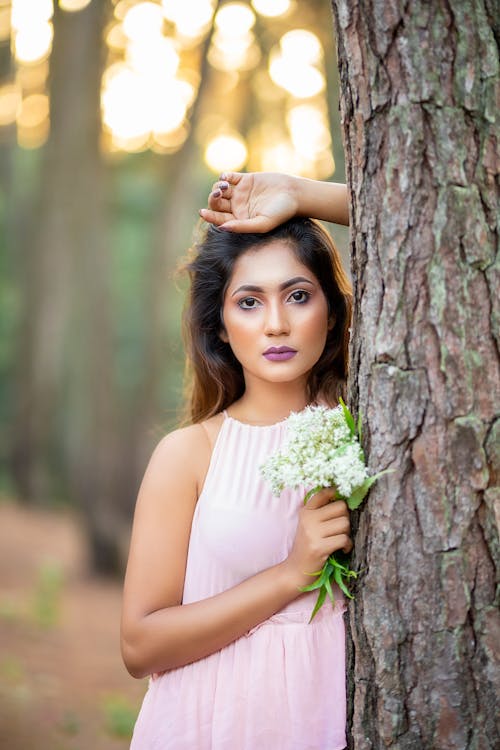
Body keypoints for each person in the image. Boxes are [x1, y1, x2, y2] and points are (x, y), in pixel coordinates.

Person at [121, 172, 353, 749]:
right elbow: (139, 646)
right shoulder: (189, 454)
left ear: (332, 306)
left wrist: (301, 195)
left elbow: (426, 212)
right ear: (221, 327)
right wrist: (289, 575)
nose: (276, 323)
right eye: (249, 302)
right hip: (210, 727)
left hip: (328, 722)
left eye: (298, 295)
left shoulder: (371, 426)